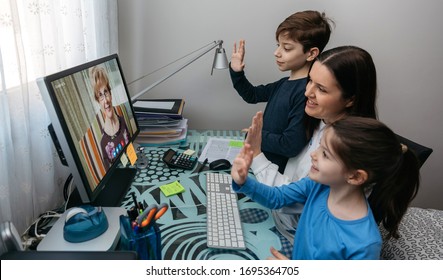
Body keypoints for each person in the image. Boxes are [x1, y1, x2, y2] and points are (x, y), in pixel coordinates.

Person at [231, 116, 420, 260]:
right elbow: (277, 197)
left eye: (325, 154)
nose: (313, 155)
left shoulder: (364, 243)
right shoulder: (318, 186)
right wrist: (243, 181)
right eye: (319, 147)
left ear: (355, 176)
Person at [245, 46, 378, 244]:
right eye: (309, 81)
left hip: (295, 236)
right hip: (280, 215)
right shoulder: (320, 121)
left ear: (350, 99)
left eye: (321, 89)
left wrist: (256, 154)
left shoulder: (343, 151)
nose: (307, 92)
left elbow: (287, 199)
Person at [230, 10, 333, 173]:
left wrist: (257, 137)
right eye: (278, 45)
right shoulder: (284, 84)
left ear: (311, 53)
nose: (276, 53)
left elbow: (290, 145)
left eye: (286, 48)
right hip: (260, 163)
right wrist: (236, 71)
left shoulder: (306, 94)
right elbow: (252, 95)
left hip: (274, 174)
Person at [90, 65, 130, 169]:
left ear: (110, 94)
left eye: (106, 92)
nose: (106, 100)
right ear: (98, 101)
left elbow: (131, 151)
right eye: (100, 96)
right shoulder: (104, 142)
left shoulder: (122, 121)